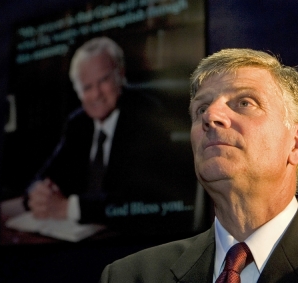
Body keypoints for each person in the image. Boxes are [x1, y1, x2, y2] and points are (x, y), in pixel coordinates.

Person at [99, 48, 298, 282]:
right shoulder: (130, 276)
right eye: (201, 109)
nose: (211, 116)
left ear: (296, 144)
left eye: (244, 103)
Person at [25, 37, 196, 235]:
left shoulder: (147, 114)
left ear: (120, 75)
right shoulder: (78, 123)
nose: (96, 94)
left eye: (104, 80)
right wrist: (37, 194)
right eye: (87, 87)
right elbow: (46, 176)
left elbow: (139, 199)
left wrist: (68, 207)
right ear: (78, 92)